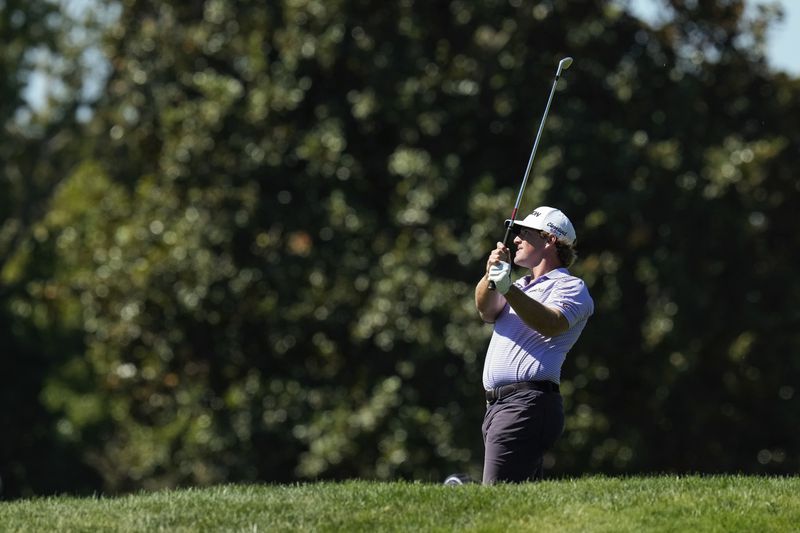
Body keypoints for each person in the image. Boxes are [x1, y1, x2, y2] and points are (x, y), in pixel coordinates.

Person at [474, 206, 594, 484]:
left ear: (551, 240)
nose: (515, 239)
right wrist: (490, 274)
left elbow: (551, 324)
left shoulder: (571, 287)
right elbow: (486, 311)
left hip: (527, 403)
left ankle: (456, 483)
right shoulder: (521, 286)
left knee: (497, 497)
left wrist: (507, 288)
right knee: (521, 501)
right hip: (499, 407)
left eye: (524, 233)